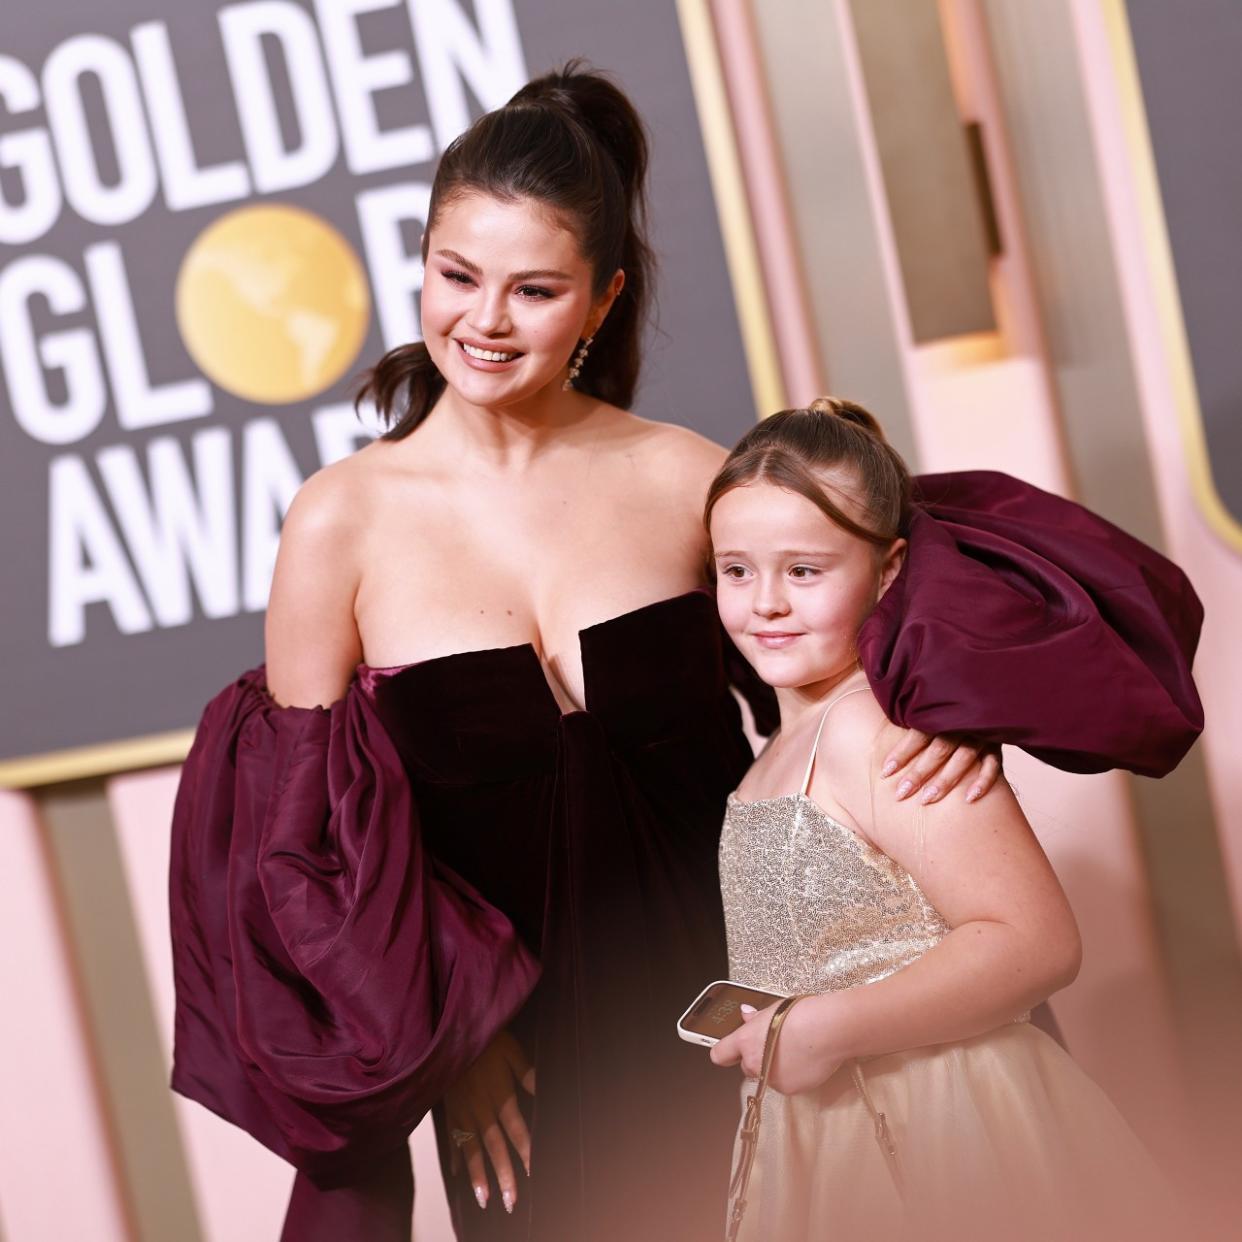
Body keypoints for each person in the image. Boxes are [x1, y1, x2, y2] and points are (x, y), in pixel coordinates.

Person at [168, 66, 1000, 1242]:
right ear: (421, 266)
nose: (485, 320)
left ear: (602, 299)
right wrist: (451, 1052)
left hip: (769, 999)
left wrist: (948, 736)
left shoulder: (685, 477)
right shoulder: (338, 523)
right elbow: (304, 854)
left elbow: (871, 627)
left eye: (535, 289)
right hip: (526, 1060)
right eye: (456, 276)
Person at [705, 398, 1191, 1242]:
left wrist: (828, 1026)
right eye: (736, 570)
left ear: (889, 571)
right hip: (822, 1128)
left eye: (806, 571)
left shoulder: (876, 731)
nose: (767, 603)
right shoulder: (778, 751)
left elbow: (1036, 941)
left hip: (943, 1123)